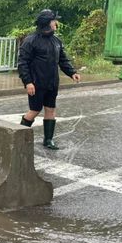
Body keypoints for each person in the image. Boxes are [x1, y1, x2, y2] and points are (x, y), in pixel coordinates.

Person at [17, 9, 80, 150]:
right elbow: (22, 63)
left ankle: (48, 140)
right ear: (47, 23)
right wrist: (27, 82)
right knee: (34, 110)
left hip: (52, 83)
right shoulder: (31, 41)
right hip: (36, 83)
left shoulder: (56, 41)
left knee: (50, 109)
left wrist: (72, 72)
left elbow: (63, 59)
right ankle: (18, 137)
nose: (56, 23)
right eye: (53, 21)